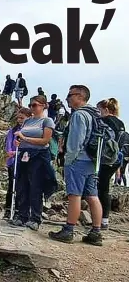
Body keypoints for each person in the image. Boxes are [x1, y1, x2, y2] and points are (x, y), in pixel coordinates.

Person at [49, 85, 103, 245]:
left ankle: (68, 230)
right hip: (93, 162)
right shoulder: (95, 114)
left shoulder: (79, 115)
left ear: (80, 96)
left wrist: (68, 160)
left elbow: (75, 142)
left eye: (70, 95)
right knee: (93, 196)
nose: (67, 98)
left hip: (78, 161)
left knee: (75, 195)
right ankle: (96, 232)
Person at [11, 95, 56, 231]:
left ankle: (35, 217)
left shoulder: (47, 121)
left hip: (38, 155)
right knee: (22, 185)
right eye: (30, 105)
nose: (32, 108)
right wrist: (18, 141)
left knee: (35, 186)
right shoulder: (27, 122)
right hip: (24, 153)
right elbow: (21, 137)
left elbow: (45, 141)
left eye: (35, 105)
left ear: (43, 106)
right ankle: (22, 215)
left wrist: (25, 138)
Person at [96, 98, 125, 230]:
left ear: (106, 109)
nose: (98, 113)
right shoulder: (120, 123)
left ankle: (100, 219)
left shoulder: (105, 120)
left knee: (101, 188)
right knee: (105, 187)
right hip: (117, 157)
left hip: (105, 158)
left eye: (99, 110)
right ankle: (104, 219)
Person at [3, 108, 32, 220]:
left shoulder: (29, 130)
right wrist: (10, 151)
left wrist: (17, 152)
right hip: (12, 161)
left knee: (22, 186)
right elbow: (9, 143)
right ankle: (8, 209)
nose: (19, 120)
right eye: (18, 117)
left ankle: (20, 210)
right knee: (12, 185)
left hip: (24, 161)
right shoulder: (13, 130)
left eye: (22, 118)